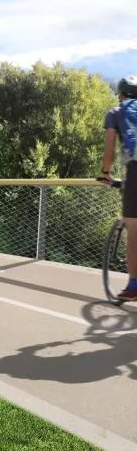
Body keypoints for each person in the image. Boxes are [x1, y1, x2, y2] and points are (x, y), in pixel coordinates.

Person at [99, 75, 137, 299]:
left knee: (133, 228)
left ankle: (134, 286)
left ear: (121, 95)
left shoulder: (116, 112)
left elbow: (110, 150)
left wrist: (105, 173)